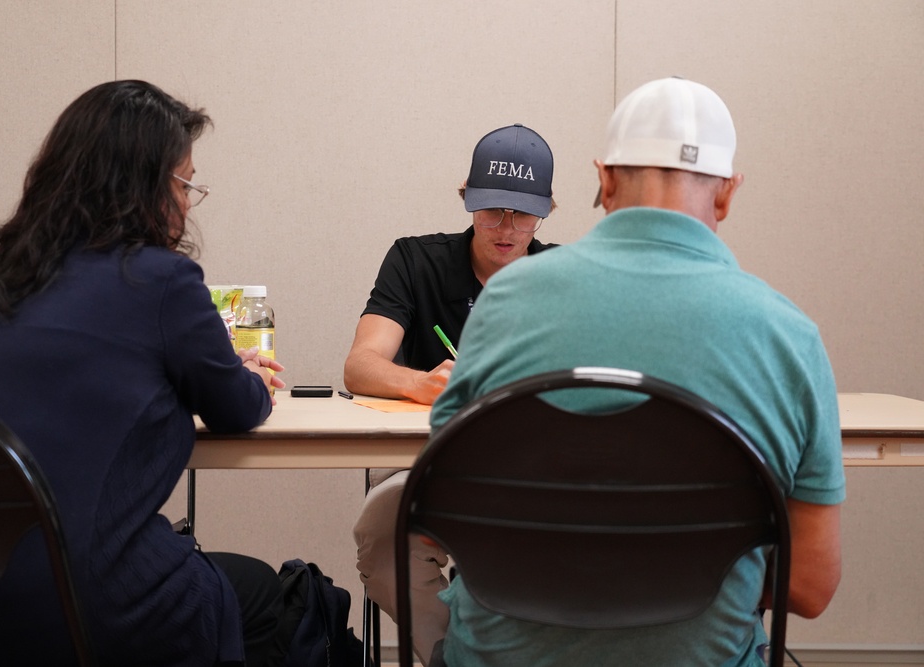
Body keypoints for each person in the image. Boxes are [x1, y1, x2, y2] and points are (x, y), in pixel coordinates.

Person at [429, 77, 845, 666]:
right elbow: (809, 587)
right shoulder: (789, 337)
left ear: (603, 179)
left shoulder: (505, 302)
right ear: (726, 194)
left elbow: (444, 515)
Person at [0, 80, 287, 666]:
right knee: (264, 594)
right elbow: (238, 407)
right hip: (78, 596)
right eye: (185, 182)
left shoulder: (4, 275)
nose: (189, 201)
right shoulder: (162, 279)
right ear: (145, 184)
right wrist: (247, 375)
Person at [346, 124, 559, 664]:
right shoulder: (415, 262)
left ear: (547, 211)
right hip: (421, 466)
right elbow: (361, 366)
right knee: (382, 536)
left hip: (529, 475)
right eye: (492, 210)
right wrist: (422, 383)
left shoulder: (562, 278)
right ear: (466, 198)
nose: (507, 228)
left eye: (523, 214)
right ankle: (453, 657)